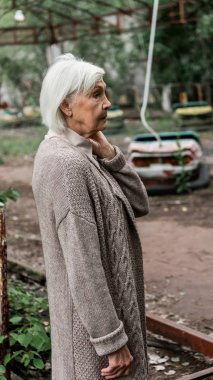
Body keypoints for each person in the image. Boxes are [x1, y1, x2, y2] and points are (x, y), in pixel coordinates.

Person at [32, 53, 149, 380]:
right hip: (93, 345)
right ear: (66, 105)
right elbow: (83, 264)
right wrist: (111, 341)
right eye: (96, 94)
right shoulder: (66, 166)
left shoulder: (81, 153)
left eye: (105, 93)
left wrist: (108, 152)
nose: (108, 102)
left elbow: (139, 203)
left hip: (100, 328)